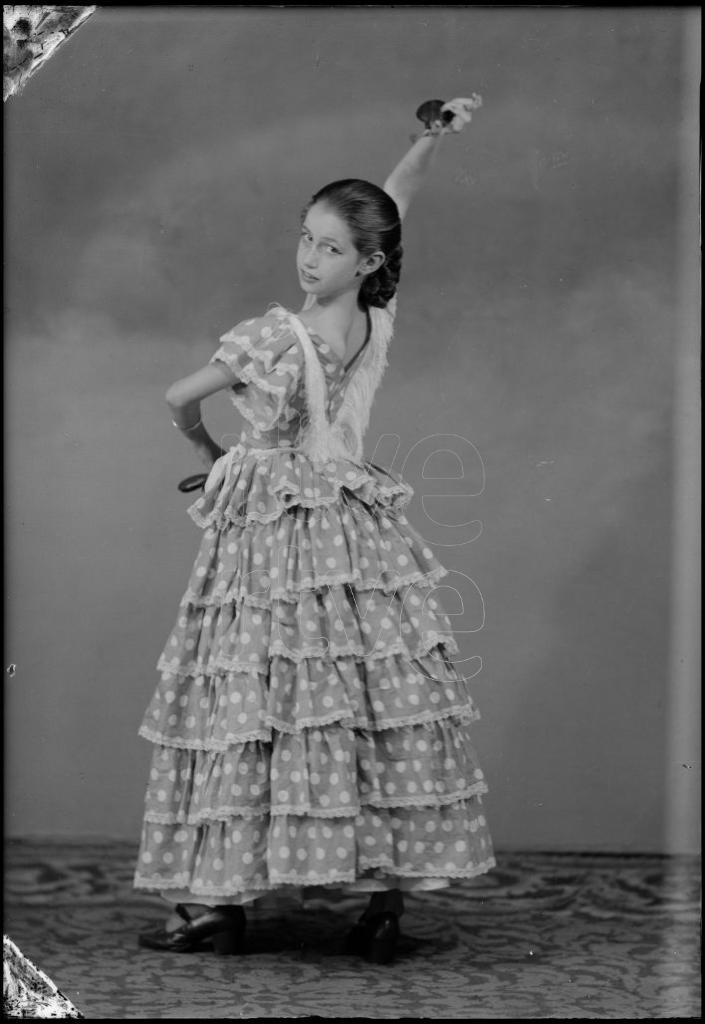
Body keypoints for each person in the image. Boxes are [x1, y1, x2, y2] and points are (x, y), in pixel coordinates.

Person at [135, 97, 495, 964]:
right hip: (349, 529)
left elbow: (178, 396)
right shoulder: (374, 318)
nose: (308, 258)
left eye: (329, 247)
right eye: (304, 238)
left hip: (273, 535)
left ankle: (220, 905)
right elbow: (394, 208)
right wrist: (426, 141)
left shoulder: (275, 334)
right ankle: (378, 898)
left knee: (250, 698)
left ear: (365, 261)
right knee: (357, 698)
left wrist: (218, 453)